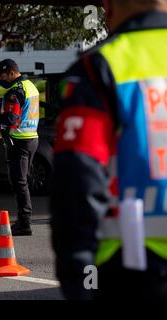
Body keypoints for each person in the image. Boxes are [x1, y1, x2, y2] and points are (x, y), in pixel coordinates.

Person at [51, 0, 167, 300]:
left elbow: (79, 182)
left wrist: (77, 279)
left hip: (135, 270)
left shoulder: (100, 66)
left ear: (108, 7)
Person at [0, 59, 40, 236]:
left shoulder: (15, 92)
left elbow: (11, 119)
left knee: (19, 182)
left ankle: (24, 223)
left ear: (12, 72)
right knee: (23, 181)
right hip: (31, 139)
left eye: (3, 75)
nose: (1, 79)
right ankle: (24, 220)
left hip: (20, 142)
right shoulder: (31, 86)